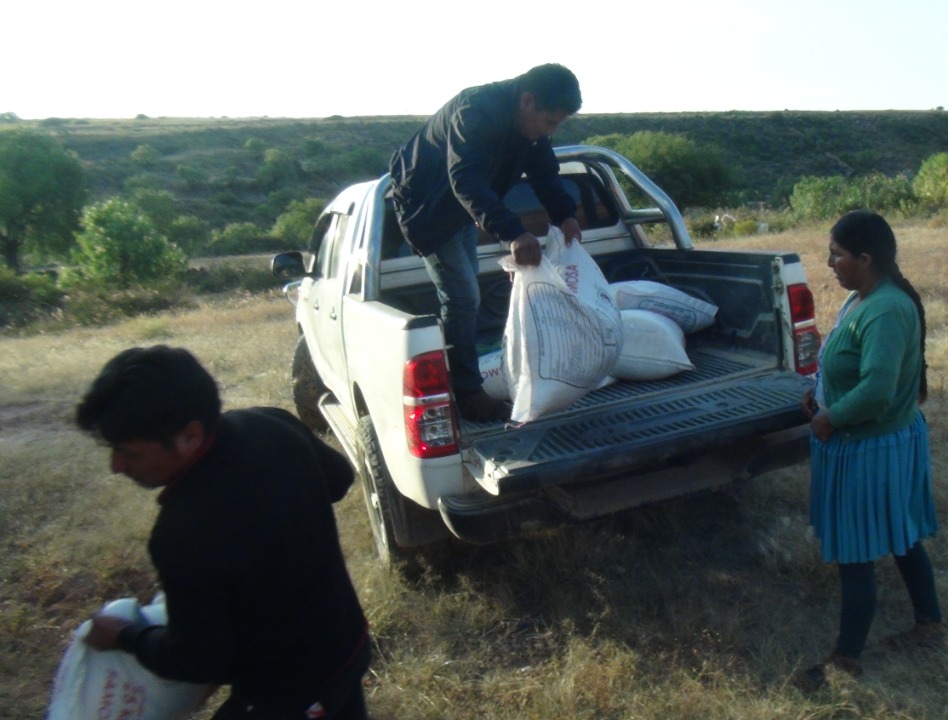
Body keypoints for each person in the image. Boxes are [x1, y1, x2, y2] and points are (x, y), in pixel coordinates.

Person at [75, 345, 370, 719]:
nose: (116, 466)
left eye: (129, 453)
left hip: (287, 690)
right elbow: (340, 479)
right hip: (347, 641)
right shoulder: (270, 423)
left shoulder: (182, 533)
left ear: (189, 436)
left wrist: (122, 635)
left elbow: (197, 662)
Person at [793, 210, 943, 691]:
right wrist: (821, 391)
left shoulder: (886, 310)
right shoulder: (864, 300)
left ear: (865, 257)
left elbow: (877, 390)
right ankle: (929, 625)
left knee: (857, 551)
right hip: (873, 440)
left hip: (870, 446)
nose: (829, 262)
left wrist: (830, 417)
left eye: (837, 254)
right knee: (901, 535)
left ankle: (846, 660)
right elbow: (849, 365)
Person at [388, 63, 584, 422]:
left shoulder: (531, 130)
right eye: (551, 122)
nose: (550, 132)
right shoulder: (476, 110)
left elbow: (544, 172)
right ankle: (465, 393)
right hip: (428, 208)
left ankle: (465, 368)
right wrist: (513, 232)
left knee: (468, 294)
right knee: (463, 297)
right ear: (528, 101)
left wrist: (565, 214)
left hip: (460, 208)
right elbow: (465, 178)